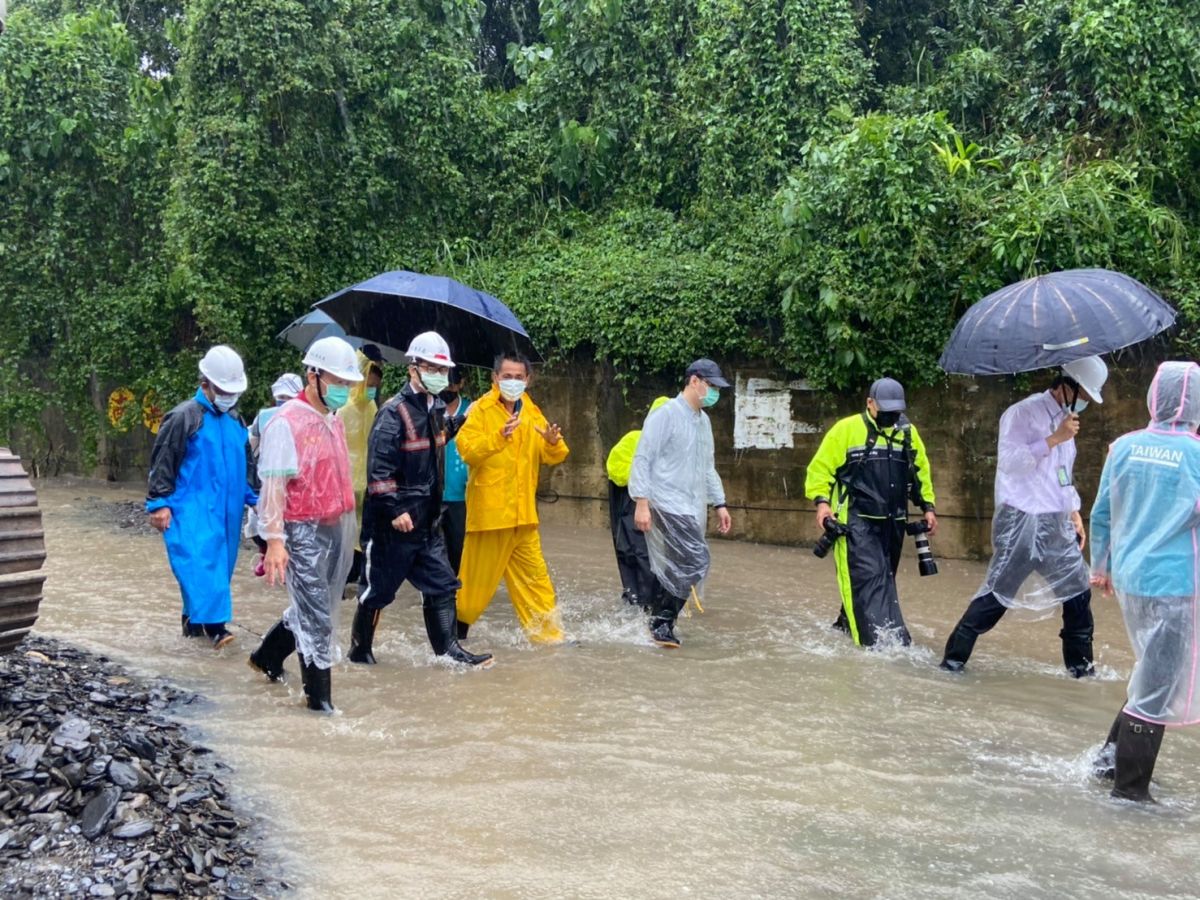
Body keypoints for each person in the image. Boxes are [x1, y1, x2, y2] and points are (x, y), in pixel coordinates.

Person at [940, 356, 1108, 676]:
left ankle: (1081, 672)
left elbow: (1062, 473)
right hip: (1020, 520)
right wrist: (1054, 438)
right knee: (997, 595)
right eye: (1085, 394)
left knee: (1077, 593)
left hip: (1054, 523)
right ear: (1066, 386)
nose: (1086, 402)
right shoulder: (1022, 413)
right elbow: (1011, 463)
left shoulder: (1066, 421)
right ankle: (952, 663)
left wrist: (1073, 510)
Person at [1089, 361, 1200, 802]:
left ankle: (1106, 764)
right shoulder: (1195, 455)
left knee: (1151, 671)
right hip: (1175, 585)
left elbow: (1101, 512)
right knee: (1157, 686)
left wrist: (1102, 567)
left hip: (1131, 580)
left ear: (1154, 397)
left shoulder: (1123, 448)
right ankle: (1130, 794)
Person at [347, 334, 493, 668]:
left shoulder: (436, 407)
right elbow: (379, 471)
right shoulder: (392, 413)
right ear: (413, 369)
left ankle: (449, 652)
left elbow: (436, 439)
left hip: (427, 520)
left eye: (443, 368)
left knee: (442, 583)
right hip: (392, 525)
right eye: (432, 367)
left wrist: (464, 422)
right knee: (377, 592)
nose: (439, 374)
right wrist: (396, 509)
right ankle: (360, 651)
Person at [246, 336, 361, 713]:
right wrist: (275, 540)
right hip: (301, 530)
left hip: (334, 526)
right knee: (318, 618)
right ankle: (320, 705)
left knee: (316, 606)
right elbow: (274, 487)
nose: (343, 389)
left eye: (348, 383)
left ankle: (266, 656)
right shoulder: (286, 423)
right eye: (337, 381)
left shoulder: (333, 419)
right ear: (312, 376)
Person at [804, 377, 936, 648]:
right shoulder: (846, 430)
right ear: (870, 404)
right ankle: (877, 649)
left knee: (880, 581)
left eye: (895, 412)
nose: (891, 417)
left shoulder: (907, 433)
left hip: (893, 522)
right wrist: (822, 504)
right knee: (871, 581)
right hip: (855, 523)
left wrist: (928, 507)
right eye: (885, 411)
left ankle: (842, 629)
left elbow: (920, 470)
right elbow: (820, 469)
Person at [454, 352, 569, 644]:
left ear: (528, 380)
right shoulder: (480, 410)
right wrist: (497, 438)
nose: (513, 382)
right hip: (490, 516)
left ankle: (551, 639)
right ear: (495, 378)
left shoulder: (531, 411)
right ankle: (453, 633)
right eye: (507, 376)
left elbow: (551, 453)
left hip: (524, 517)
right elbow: (467, 450)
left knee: (537, 581)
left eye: (519, 377)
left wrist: (553, 444)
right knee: (473, 589)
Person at [147, 345, 257, 649]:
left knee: (219, 567)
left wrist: (256, 499)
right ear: (205, 383)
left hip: (229, 510)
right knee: (200, 564)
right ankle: (216, 627)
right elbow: (163, 461)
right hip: (192, 508)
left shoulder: (236, 421)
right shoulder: (184, 417)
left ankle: (192, 626)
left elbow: (246, 465)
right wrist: (159, 503)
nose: (229, 395)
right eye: (223, 389)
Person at [630, 360, 733, 648]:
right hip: (665, 501)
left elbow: (707, 466)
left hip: (690, 505)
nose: (713, 392)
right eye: (710, 386)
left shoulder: (703, 421)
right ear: (694, 381)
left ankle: (656, 617)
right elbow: (643, 457)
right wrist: (641, 502)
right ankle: (661, 621)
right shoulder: (666, 415)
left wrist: (720, 503)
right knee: (697, 559)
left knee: (679, 564)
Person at [606, 396, 671, 607]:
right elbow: (616, 472)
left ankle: (648, 604)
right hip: (631, 506)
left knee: (653, 557)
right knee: (637, 554)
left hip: (655, 509)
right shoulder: (635, 440)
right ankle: (642, 604)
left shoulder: (675, 448)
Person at [336, 345, 384, 586]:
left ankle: (358, 578)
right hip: (346, 484)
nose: (373, 390)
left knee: (364, 535)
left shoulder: (373, 408)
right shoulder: (343, 409)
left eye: (376, 386)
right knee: (346, 536)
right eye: (370, 384)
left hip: (368, 483)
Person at [247, 373, 303, 576]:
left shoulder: (305, 417)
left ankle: (288, 562)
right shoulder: (264, 417)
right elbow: (251, 446)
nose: (284, 403)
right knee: (259, 518)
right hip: (269, 477)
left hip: (295, 480)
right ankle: (266, 553)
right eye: (282, 398)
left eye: (289, 398)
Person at [439, 366, 471, 576]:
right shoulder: (428, 409)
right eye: (444, 383)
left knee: (459, 550)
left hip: (462, 496)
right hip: (432, 494)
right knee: (432, 553)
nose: (447, 388)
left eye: (452, 384)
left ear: (461, 384)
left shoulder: (473, 411)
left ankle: (455, 595)